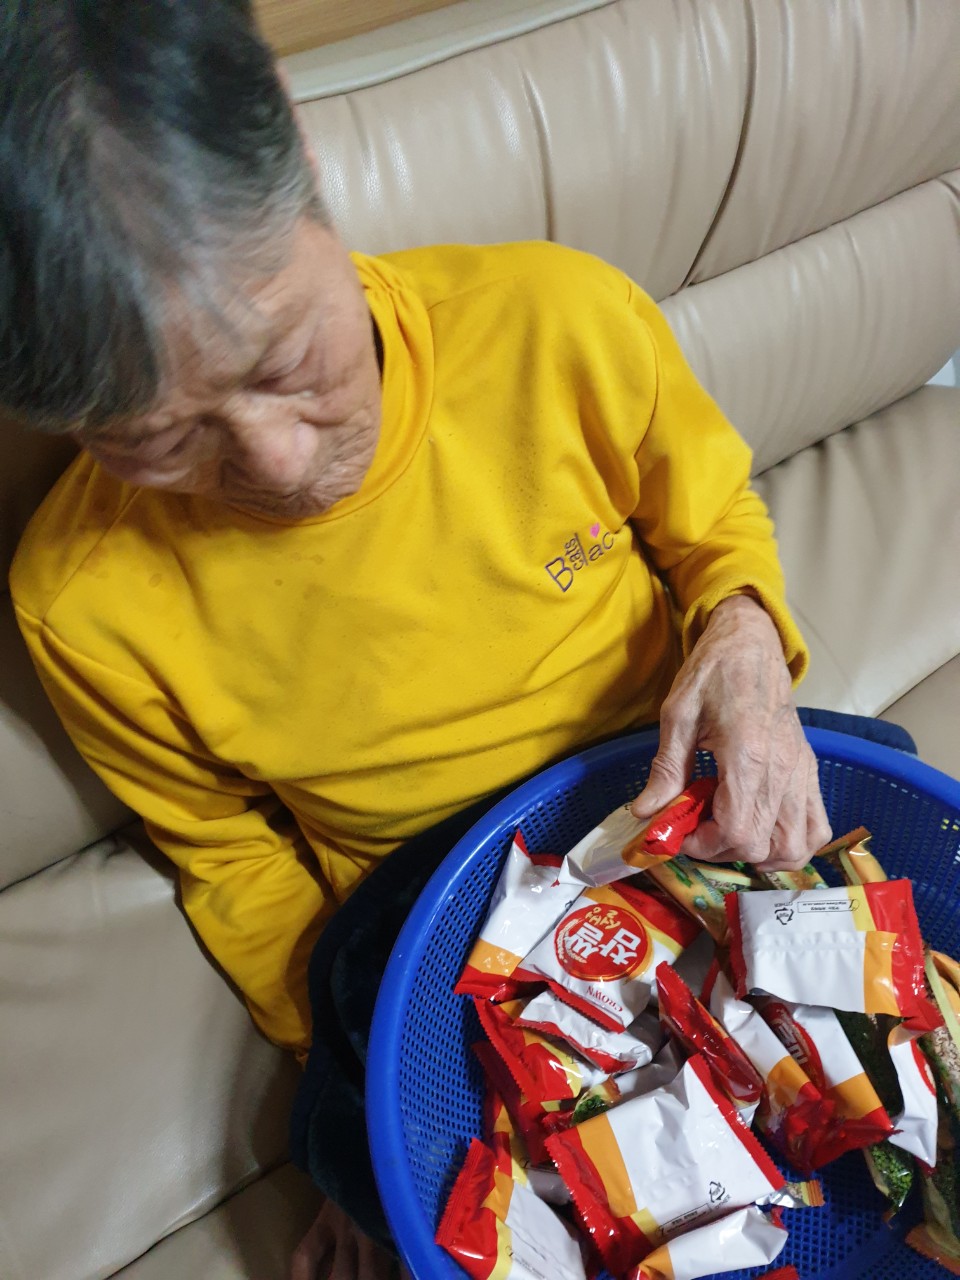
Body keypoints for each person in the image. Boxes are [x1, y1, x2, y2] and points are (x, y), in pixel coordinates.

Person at [2, 2, 846, 1277]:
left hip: (663, 776)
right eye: (158, 440)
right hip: (428, 894)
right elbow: (230, 856)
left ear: (303, 166)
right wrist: (357, 1083)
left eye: (286, 359)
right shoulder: (80, 596)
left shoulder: (554, 318)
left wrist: (742, 636)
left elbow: (711, 520)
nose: (277, 463)